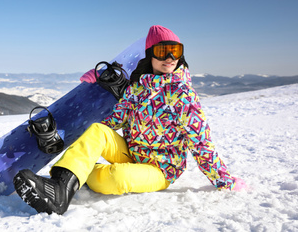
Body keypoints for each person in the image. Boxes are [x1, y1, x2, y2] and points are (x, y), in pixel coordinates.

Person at [13, 25, 247, 215]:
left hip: (161, 169)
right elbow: (114, 122)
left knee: (115, 177)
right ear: (150, 55)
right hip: (132, 152)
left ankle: (76, 174)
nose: (169, 57)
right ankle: (59, 189)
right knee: (97, 130)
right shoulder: (138, 89)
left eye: (175, 50)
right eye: (161, 51)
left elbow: (201, 144)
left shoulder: (184, 96)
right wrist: (97, 87)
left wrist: (224, 181)